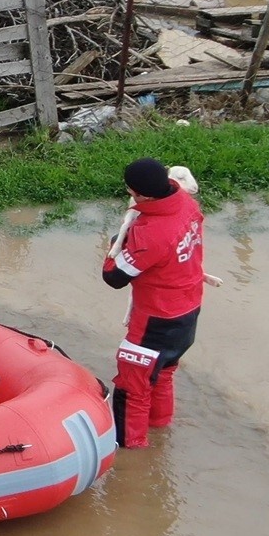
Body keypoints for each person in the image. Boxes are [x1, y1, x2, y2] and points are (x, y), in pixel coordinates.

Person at [102, 157, 206, 448]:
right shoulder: (187, 204)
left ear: (139, 194)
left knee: (131, 389)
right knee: (163, 374)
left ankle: (130, 458)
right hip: (188, 311)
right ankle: (161, 432)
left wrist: (115, 244)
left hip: (154, 323)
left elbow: (114, 276)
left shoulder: (151, 234)